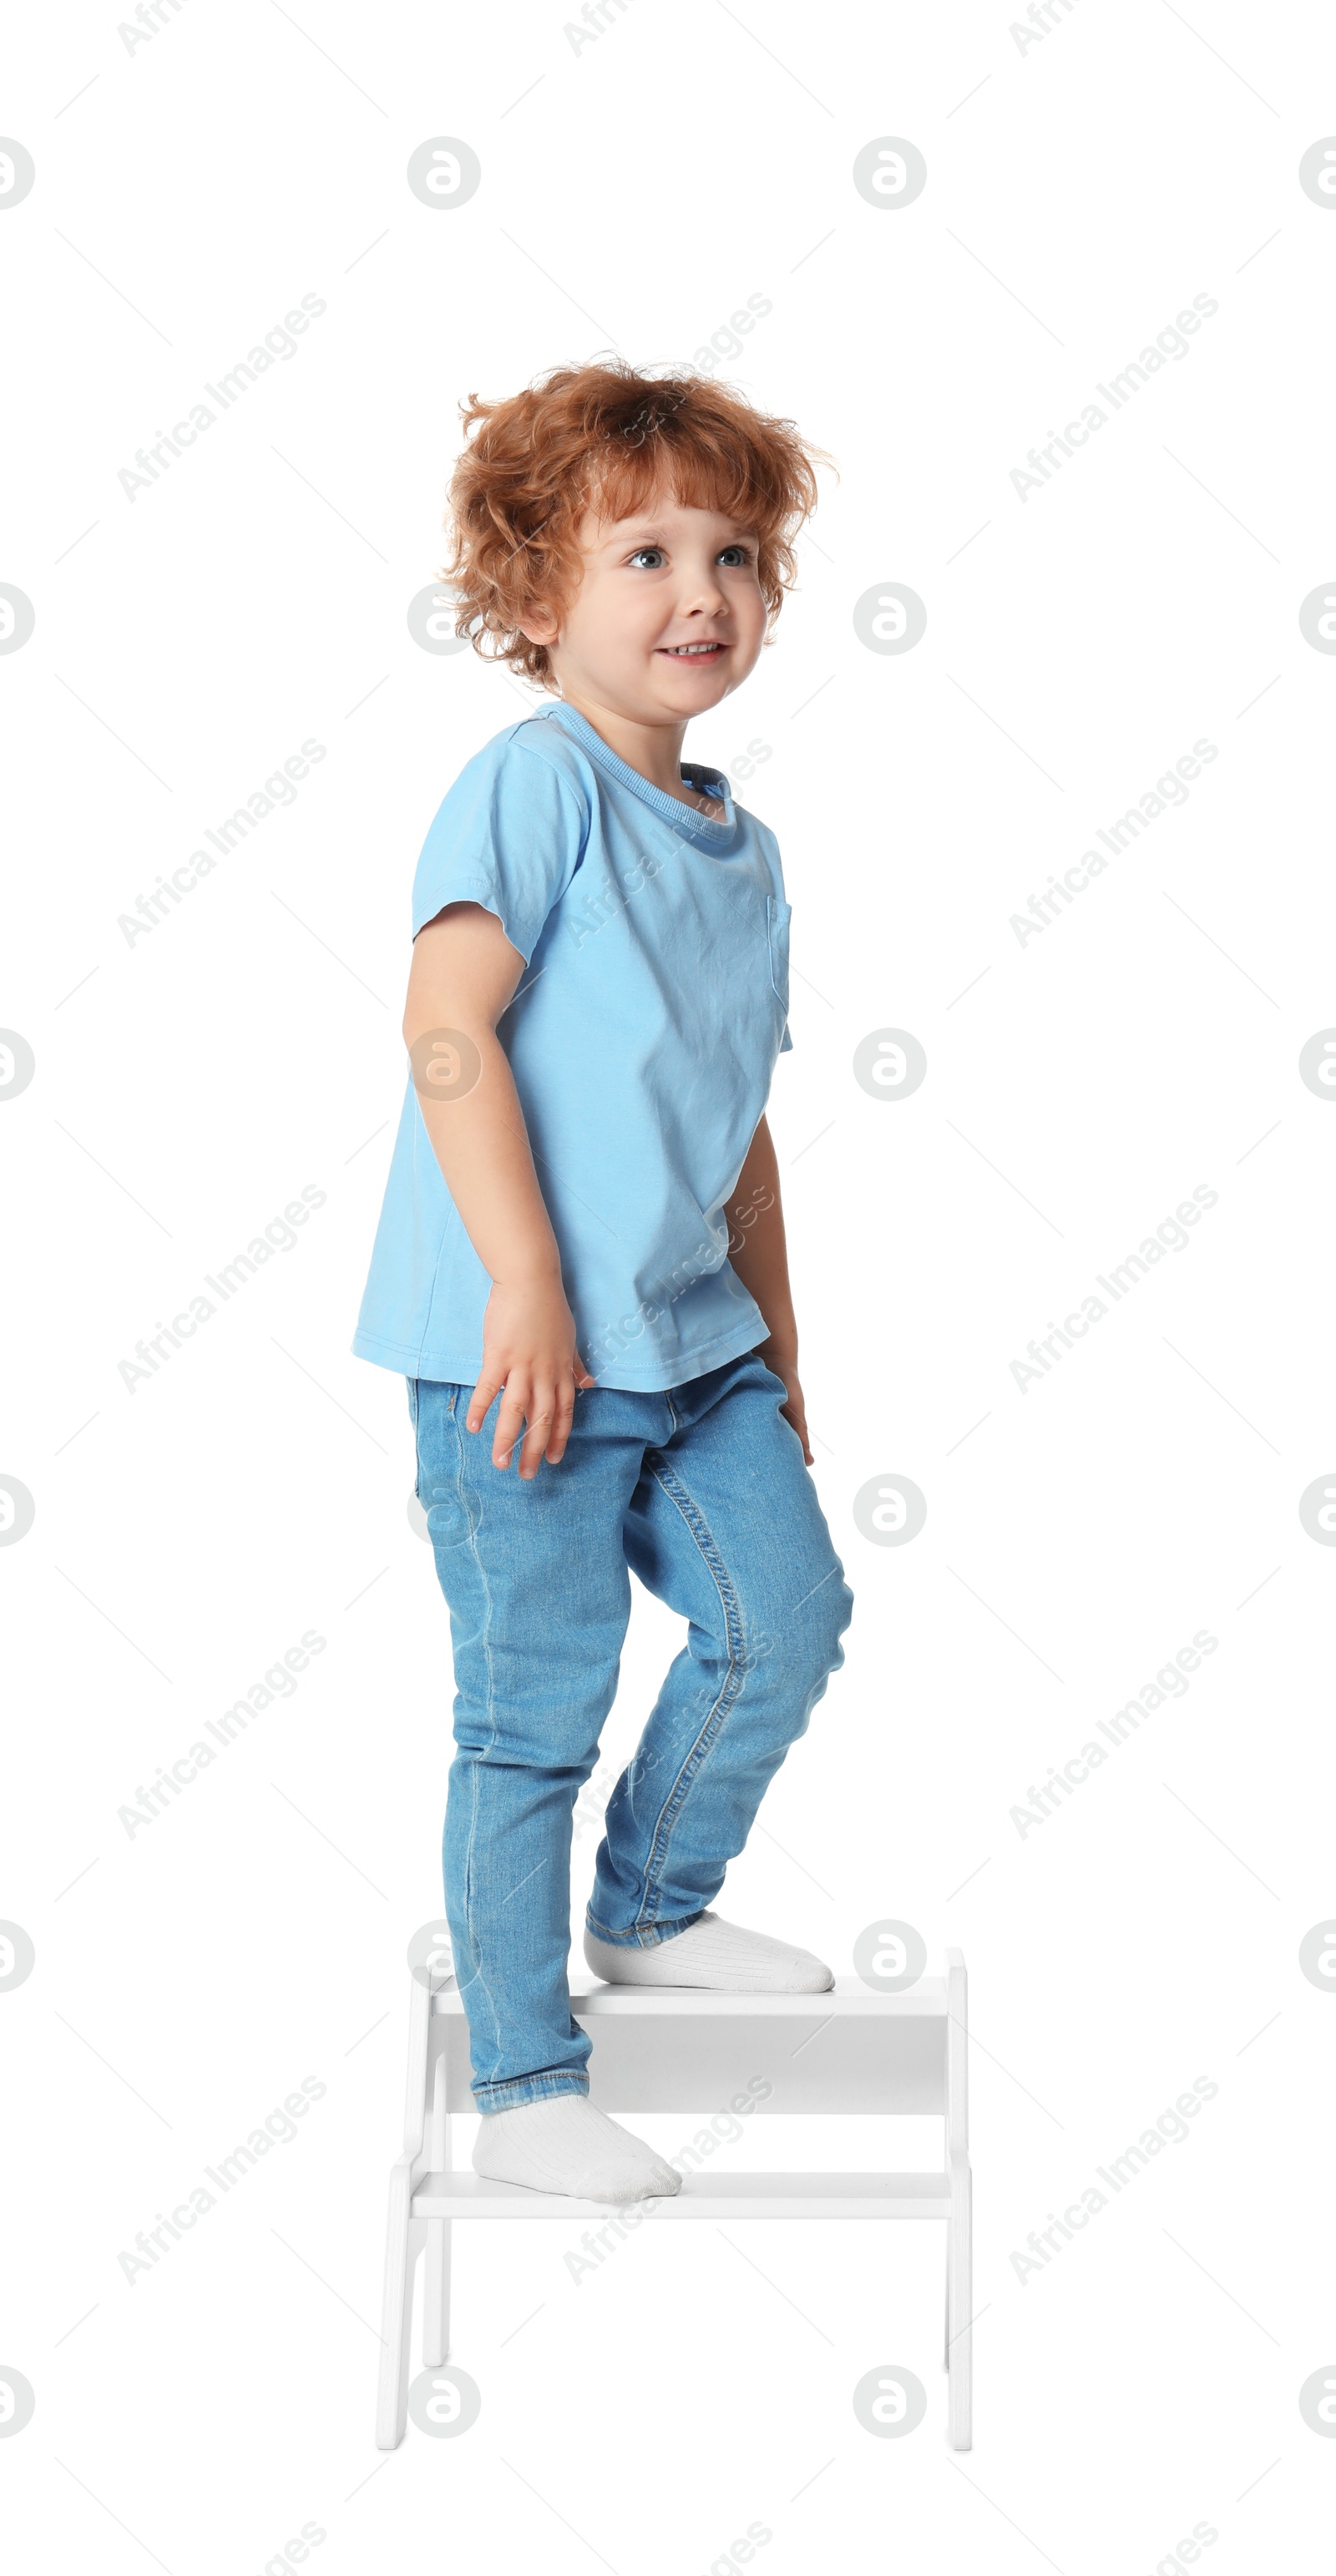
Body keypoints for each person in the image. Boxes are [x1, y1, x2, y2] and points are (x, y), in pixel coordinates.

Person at [352, 358, 853, 2205]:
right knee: (530, 1705)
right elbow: (445, 1030)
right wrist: (524, 1281)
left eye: (731, 551)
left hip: (695, 1344)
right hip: (523, 1350)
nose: (696, 592)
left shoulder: (747, 851)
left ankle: (652, 1905)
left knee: (782, 1613)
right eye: (638, 553)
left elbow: (738, 1129)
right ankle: (526, 2075)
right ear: (530, 592)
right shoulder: (532, 785)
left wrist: (783, 1357)